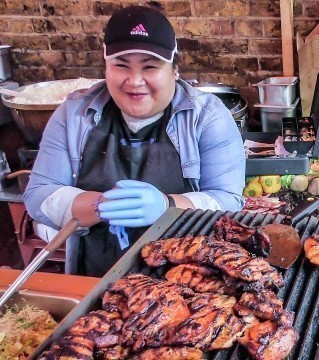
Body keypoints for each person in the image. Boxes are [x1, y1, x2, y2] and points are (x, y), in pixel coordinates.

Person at [23, 5, 245, 276]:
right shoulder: (74, 114)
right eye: (121, 65)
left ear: (174, 70)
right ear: (106, 67)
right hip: (95, 280)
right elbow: (38, 196)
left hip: (188, 283)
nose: (135, 81)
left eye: (150, 67)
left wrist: (168, 206)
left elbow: (229, 202)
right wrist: (100, 205)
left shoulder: (207, 116)